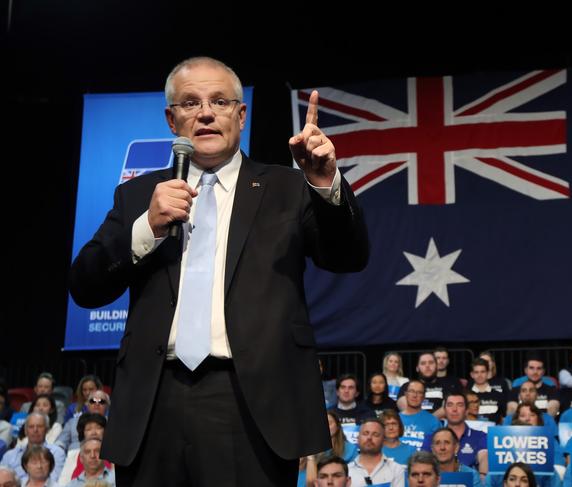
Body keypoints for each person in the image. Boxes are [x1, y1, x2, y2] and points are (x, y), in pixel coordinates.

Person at [68, 56, 369, 486]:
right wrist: (147, 227)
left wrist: (323, 182)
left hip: (251, 405)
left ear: (240, 115)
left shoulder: (287, 188)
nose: (206, 112)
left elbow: (348, 256)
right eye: (190, 103)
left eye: (220, 101)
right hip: (153, 404)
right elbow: (85, 286)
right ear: (172, 120)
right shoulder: (138, 194)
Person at [347, 419, 404, 487]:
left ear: (383, 441)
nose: (369, 438)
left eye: (375, 434)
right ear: (358, 438)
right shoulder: (347, 471)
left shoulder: (396, 470)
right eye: (365, 433)